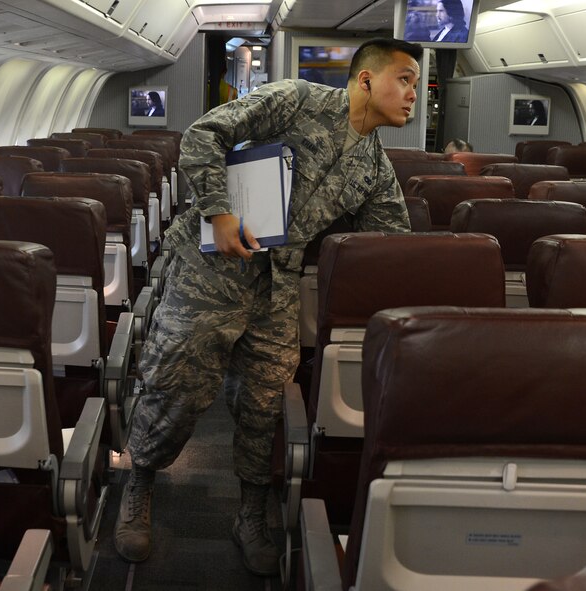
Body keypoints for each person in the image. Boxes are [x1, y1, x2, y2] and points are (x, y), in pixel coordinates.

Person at [114, 38, 422, 576]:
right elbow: (202, 135)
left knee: (262, 405)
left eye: (418, 85)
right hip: (212, 271)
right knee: (176, 382)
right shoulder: (296, 100)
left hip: (276, 288)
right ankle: (139, 481)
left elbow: (391, 246)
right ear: (367, 80)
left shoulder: (375, 168)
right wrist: (218, 211)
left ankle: (250, 512)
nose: (414, 94)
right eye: (406, 79)